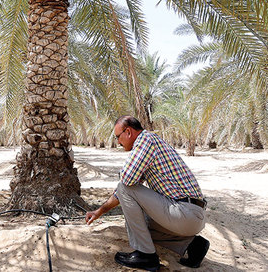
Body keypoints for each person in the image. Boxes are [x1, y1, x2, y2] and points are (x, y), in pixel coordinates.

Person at [85, 115, 209, 271]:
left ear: (128, 132)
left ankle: (146, 256)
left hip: (184, 212)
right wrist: (99, 212)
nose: (118, 142)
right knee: (138, 224)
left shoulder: (146, 141)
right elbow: (123, 192)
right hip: (191, 215)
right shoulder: (151, 145)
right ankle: (193, 245)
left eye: (118, 137)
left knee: (124, 186)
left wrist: (124, 170)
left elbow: (126, 182)